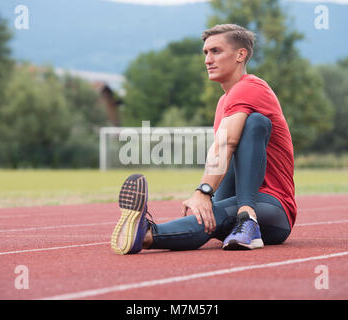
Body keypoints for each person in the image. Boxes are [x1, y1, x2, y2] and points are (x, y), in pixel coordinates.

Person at [111, 24, 296, 255]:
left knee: (256, 122)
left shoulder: (252, 87)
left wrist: (203, 191)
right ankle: (149, 234)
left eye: (216, 51)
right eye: (206, 53)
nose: (208, 59)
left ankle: (148, 234)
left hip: (274, 210)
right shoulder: (223, 102)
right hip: (231, 198)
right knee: (209, 214)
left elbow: (226, 144)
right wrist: (204, 199)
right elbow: (221, 151)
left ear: (241, 54)